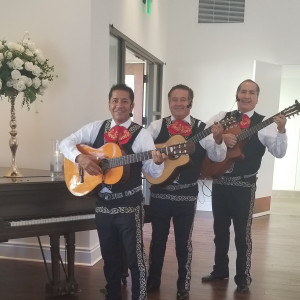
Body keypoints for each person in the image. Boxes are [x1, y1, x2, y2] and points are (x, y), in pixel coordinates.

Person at [59, 83, 167, 300]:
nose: (119, 105)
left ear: (132, 105)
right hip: (103, 205)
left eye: (124, 101)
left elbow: (153, 173)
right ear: (109, 104)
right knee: (110, 259)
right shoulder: (96, 128)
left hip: (129, 206)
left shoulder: (142, 134)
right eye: (115, 100)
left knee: (135, 259)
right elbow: (65, 143)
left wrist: (158, 161)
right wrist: (80, 157)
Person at [201, 79, 287, 294]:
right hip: (220, 183)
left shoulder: (264, 123)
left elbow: (279, 152)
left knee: (242, 235)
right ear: (237, 95)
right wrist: (220, 137)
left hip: (244, 187)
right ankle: (220, 270)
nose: (247, 96)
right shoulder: (223, 116)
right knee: (219, 231)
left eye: (251, 92)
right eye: (243, 91)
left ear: (257, 98)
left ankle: (243, 277)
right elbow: (202, 136)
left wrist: (282, 130)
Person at [146, 84, 227, 300]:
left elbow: (218, 157)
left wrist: (218, 139)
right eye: (174, 99)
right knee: (157, 240)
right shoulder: (156, 126)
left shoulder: (202, 128)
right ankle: (152, 281)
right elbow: (142, 151)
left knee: (184, 241)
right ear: (169, 102)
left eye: (183, 99)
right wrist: (155, 156)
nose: (179, 103)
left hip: (186, 194)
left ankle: (183, 284)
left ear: (190, 102)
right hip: (160, 192)